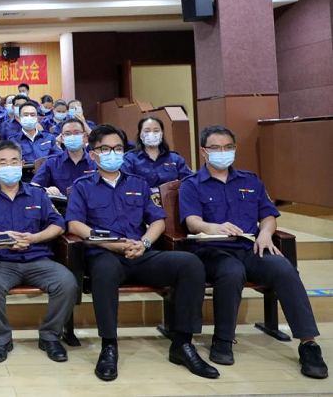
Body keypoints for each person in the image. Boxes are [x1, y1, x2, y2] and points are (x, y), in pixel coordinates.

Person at [65, 124, 217, 382]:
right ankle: (109, 346)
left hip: (140, 252)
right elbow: (75, 225)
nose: (112, 153)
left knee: (189, 264)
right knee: (104, 271)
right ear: (93, 154)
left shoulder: (138, 183)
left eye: (118, 148)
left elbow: (158, 221)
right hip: (106, 254)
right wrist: (112, 244)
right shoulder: (82, 186)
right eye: (105, 149)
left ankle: (182, 343)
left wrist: (144, 243)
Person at [179, 125, 327, 378]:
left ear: (235, 148)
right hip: (213, 251)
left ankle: (308, 344)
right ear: (204, 151)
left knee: (284, 268)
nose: (222, 152)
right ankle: (223, 339)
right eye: (215, 148)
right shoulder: (192, 184)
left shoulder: (250, 180)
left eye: (228, 147)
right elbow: (192, 222)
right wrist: (213, 227)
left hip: (251, 248)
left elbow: (268, 215)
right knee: (231, 271)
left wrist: (266, 233)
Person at [0, 141, 78, 364]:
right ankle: (1, 339)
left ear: (22, 163)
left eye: (14, 161)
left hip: (37, 258)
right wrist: (1, 237)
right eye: (3, 162)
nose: (9, 166)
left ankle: (50, 336)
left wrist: (35, 238)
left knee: (67, 283)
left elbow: (58, 224)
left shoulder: (38, 194)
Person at [121, 116, 192, 190]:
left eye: (156, 131)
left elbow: (190, 182)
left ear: (162, 134)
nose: (151, 134)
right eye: (147, 131)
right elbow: (124, 185)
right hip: (141, 196)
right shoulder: (129, 159)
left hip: (170, 197)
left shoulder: (175, 158)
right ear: (140, 135)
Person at [33, 119, 97, 197]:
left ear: (84, 136)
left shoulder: (96, 161)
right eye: (67, 134)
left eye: (76, 133)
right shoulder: (52, 162)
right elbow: (34, 186)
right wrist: (46, 189)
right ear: (62, 138)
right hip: (61, 203)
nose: (72, 137)